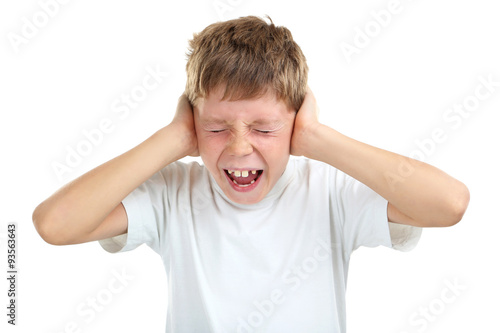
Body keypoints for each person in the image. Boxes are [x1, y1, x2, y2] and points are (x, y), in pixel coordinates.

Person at [32, 15, 470, 333]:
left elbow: (449, 204)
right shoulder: (173, 194)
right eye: (216, 128)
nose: (240, 147)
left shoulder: (332, 192)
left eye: (264, 128)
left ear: (296, 123)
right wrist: (173, 139)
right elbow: (55, 224)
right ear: (192, 123)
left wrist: (317, 138)